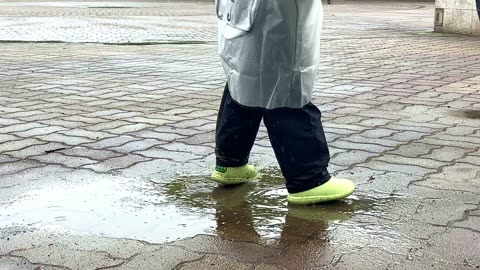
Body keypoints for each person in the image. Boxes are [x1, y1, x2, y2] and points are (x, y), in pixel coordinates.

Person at [211, 0, 355, 205]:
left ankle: (230, 163)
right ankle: (309, 179)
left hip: (240, 12)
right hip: (275, 14)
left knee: (243, 82)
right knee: (285, 87)